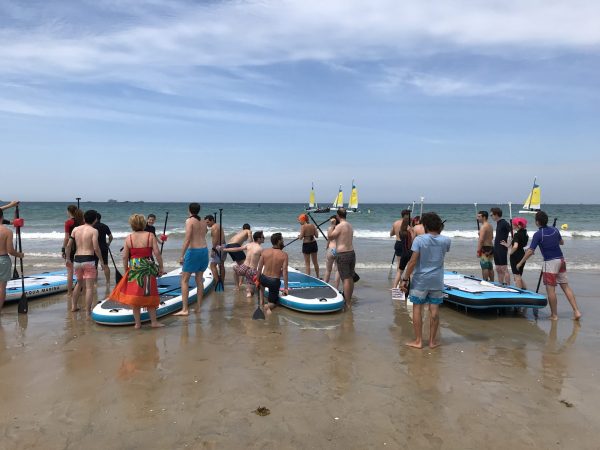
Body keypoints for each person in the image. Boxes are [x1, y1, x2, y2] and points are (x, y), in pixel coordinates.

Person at [517, 211, 581, 321]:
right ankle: (576, 311)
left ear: (537, 222)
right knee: (565, 287)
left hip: (550, 263)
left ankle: (554, 315)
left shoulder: (538, 234)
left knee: (550, 290)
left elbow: (530, 251)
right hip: (561, 260)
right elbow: (561, 242)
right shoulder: (555, 230)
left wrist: (521, 262)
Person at [400, 212, 451, 349]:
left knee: (418, 308)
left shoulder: (420, 240)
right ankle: (432, 342)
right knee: (434, 310)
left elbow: (413, 261)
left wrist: (404, 278)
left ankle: (418, 341)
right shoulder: (446, 240)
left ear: (425, 225)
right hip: (437, 279)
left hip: (421, 279)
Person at [109, 214, 164, 328]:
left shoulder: (129, 237)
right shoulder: (150, 235)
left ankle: (137, 324)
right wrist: (161, 267)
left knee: (135, 294)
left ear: (132, 224)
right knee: (149, 292)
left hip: (135, 265)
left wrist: (126, 270)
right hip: (148, 264)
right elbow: (157, 253)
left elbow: (124, 256)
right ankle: (153, 322)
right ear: (143, 223)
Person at [66, 210, 103, 314]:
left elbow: (68, 245)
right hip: (88, 259)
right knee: (90, 288)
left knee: (78, 283)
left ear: (84, 219)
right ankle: (87, 311)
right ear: (95, 219)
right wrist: (102, 261)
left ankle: (73, 306)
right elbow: (96, 248)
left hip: (77, 259)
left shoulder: (75, 229)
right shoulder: (94, 231)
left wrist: (68, 258)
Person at [175, 203, 209, 316]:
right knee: (199, 280)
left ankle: (185, 309)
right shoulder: (204, 221)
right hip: (204, 251)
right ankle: (198, 307)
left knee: (184, 280)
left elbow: (188, 238)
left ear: (189, 209)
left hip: (194, 251)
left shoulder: (189, 221)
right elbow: (204, 233)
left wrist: (182, 255)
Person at [220, 231, 265, 297]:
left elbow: (237, 249)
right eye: (263, 237)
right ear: (259, 239)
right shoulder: (261, 249)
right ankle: (249, 293)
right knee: (250, 292)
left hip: (243, 268)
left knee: (235, 267)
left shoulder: (248, 245)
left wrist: (224, 249)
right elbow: (265, 261)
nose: (264, 238)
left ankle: (237, 287)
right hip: (252, 271)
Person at [329, 207, 355, 308]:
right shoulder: (349, 225)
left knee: (346, 279)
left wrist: (332, 225)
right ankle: (349, 299)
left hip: (343, 254)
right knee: (350, 277)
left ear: (338, 216)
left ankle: (347, 302)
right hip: (351, 253)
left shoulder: (340, 226)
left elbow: (330, 237)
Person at [257, 233, 289, 314]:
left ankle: (261, 302)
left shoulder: (264, 252)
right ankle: (268, 306)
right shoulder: (284, 255)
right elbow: (285, 271)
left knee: (261, 285)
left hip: (263, 278)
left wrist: (257, 280)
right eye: (282, 239)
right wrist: (286, 288)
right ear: (278, 241)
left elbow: (259, 268)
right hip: (274, 281)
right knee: (274, 303)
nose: (283, 240)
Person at [0, 208, 24, 312]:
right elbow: (10, 250)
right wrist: (20, 255)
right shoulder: (7, 232)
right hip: (3, 260)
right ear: (2, 217)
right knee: (1, 288)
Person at [62, 205, 84, 298]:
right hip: (81, 247)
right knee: (81, 270)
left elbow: (67, 238)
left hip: (71, 248)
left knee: (70, 271)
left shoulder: (68, 222)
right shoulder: (82, 222)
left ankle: (69, 293)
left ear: (69, 211)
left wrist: (63, 249)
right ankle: (81, 290)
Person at [501, 217, 528, 289]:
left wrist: (510, 252)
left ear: (517, 225)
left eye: (513, 224)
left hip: (515, 256)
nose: (512, 225)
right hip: (522, 255)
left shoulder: (517, 235)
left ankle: (519, 293)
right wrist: (507, 245)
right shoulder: (525, 234)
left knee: (516, 276)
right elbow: (519, 244)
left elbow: (515, 246)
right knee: (519, 275)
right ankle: (525, 290)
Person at [225, 223, 252, 289]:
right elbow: (250, 239)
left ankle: (238, 285)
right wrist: (252, 245)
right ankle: (240, 284)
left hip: (229, 246)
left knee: (240, 266)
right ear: (249, 228)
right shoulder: (248, 231)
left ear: (243, 228)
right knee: (245, 265)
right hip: (235, 246)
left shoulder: (241, 232)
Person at [490, 207, 511, 284]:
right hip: (497, 248)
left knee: (504, 268)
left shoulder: (504, 223)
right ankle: (500, 285)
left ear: (496, 215)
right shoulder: (498, 223)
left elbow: (513, 232)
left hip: (502, 248)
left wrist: (508, 244)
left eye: (491, 215)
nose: (491, 216)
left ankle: (509, 287)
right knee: (498, 268)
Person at [205, 214, 226, 289]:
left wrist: (213, 249)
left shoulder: (214, 227)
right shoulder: (218, 225)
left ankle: (217, 282)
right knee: (221, 265)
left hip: (218, 247)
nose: (207, 224)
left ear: (212, 220)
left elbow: (215, 239)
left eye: (207, 222)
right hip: (223, 246)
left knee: (212, 265)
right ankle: (222, 282)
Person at [298, 214, 320, 278]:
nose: (299, 222)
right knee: (315, 262)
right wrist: (315, 229)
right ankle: (318, 276)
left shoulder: (303, 227)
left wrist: (299, 236)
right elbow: (317, 236)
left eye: (299, 220)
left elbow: (301, 237)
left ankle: (308, 278)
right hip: (313, 244)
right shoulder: (313, 225)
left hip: (306, 245)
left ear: (303, 220)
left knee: (307, 264)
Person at [94, 212, 113, 286]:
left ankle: (95, 283)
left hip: (94, 248)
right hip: (104, 248)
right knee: (105, 265)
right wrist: (108, 243)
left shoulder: (92, 227)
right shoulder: (105, 226)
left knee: (94, 266)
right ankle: (108, 282)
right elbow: (111, 237)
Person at [477, 210, 494, 281]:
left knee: (484, 266)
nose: (477, 218)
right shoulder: (490, 226)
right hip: (491, 247)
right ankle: (492, 281)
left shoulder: (483, 227)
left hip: (485, 248)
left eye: (479, 216)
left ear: (484, 217)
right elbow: (491, 237)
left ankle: (485, 281)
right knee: (490, 266)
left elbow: (481, 240)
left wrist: (478, 251)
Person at [324, 215, 340, 290]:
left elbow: (329, 239)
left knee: (328, 270)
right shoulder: (340, 228)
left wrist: (327, 247)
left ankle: (325, 285)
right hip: (338, 249)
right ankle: (336, 288)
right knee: (337, 270)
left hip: (331, 249)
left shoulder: (329, 228)